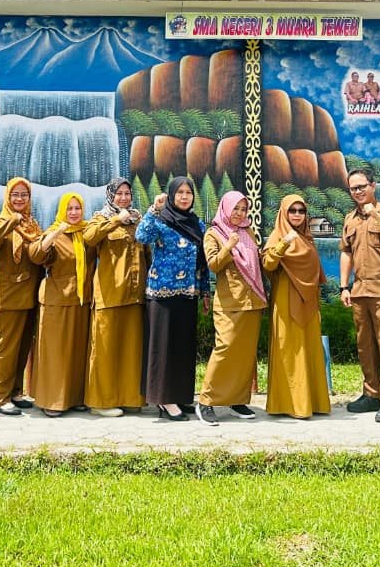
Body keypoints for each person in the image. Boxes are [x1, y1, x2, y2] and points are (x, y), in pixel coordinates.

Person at [135, 176, 210, 421]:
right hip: (162, 293)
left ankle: (178, 394)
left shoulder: (197, 223)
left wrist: (205, 291)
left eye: (189, 192)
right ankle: (164, 399)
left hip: (188, 293)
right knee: (163, 347)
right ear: (171, 195)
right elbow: (141, 236)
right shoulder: (160, 219)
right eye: (180, 193)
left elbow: (203, 261)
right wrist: (154, 208)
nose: (185, 197)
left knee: (182, 347)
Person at [339, 168, 380, 422]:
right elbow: (346, 252)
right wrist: (344, 286)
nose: (358, 192)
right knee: (365, 346)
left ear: (373, 185)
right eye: (353, 188)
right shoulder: (350, 218)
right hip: (360, 289)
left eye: (362, 186)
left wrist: (376, 215)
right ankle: (371, 393)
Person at [197, 192, 267, 424]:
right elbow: (213, 264)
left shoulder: (248, 232)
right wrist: (228, 247)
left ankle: (237, 399)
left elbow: (257, 263)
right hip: (229, 303)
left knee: (245, 354)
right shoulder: (214, 234)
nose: (239, 213)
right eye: (235, 208)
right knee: (225, 349)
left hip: (252, 302)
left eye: (243, 209)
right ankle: (206, 401)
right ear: (225, 208)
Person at [83, 177, 147, 417]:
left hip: (134, 294)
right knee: (105, 349)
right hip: (110, 294)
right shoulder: (101, 217)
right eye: (119, 193)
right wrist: (114, 221)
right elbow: (89, 238)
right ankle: (101, 402)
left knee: (131, 348)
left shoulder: (137, 219)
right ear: (111, 195)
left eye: (127, 193)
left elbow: (147, 250)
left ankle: (130, 397)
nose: (124, 198)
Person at [262, 194, 330, 419]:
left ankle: (314, 401)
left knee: (308, 349)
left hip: (308, 302)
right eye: (293, 211)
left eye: (301, 211)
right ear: (283, 213)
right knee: (289, 349)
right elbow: (268, 264)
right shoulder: (278, 235)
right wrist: (284, 243)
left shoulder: (307, 238)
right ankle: (290, 404)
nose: (298, 215)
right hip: (285, 299)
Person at [0, 177, 44, 415]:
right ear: (7, 198)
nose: (19, 199)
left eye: (24, 195)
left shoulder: (33, 224)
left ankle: (16, 392)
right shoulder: (1, 221)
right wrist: (10, 223)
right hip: (8, 294)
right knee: (5, 347)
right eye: (15, 195)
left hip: (30, 292)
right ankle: (0, 397)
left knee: (22, 347)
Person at [30, 193, 94, 416]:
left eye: (77, 208)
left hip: (81, 301)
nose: (74, 213)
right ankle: (52, 400)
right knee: (55, 353)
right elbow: (36, 255)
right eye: (70, 208)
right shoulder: (54, 232)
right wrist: (54, 234)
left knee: (77, 352)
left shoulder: (86, 233)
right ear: (62, 211)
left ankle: (75, 398)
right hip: (56, 301)